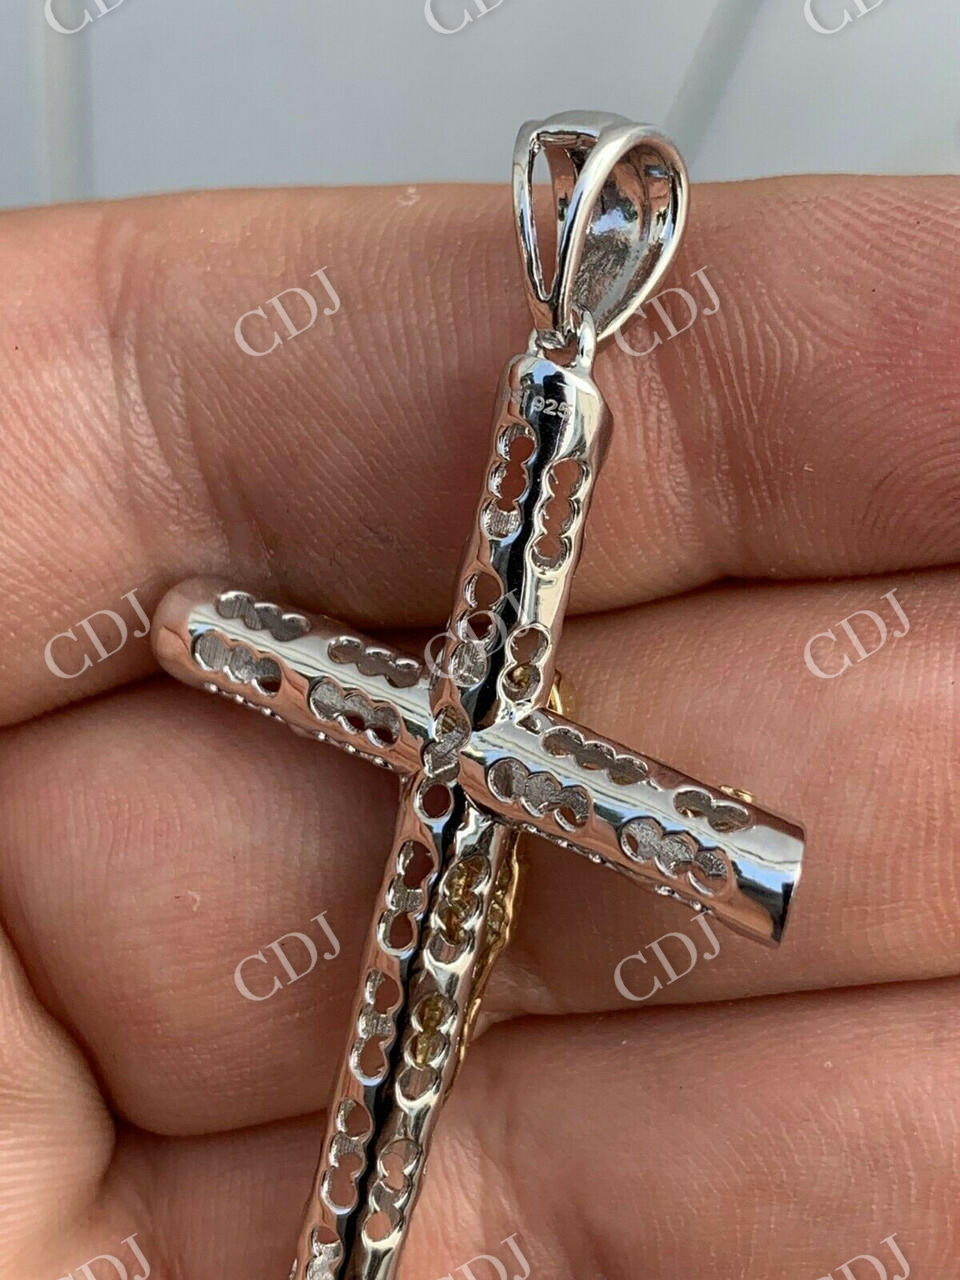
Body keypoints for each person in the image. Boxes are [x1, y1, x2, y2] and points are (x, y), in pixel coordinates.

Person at [0, 176, 951, 1278]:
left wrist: (201, 629)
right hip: (439, 783)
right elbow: (202, 628)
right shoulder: (455, 722)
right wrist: (201, 630)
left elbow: (208, 629)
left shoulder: (477, 729)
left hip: (459, 796)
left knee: (401, 1056)